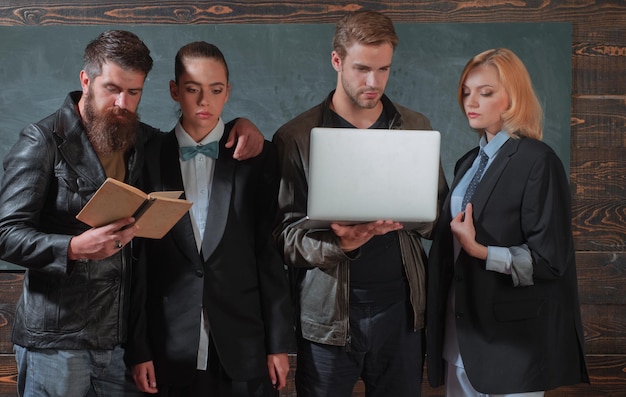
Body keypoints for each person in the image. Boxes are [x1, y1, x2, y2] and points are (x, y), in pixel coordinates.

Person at [0, 30, 264, 397]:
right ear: (86, 80)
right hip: (57, 342)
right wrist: (74, 247)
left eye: (134, 92)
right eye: (112, 88)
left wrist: (241, 125)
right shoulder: (42, 140)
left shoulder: (142, 139)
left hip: (122, 344)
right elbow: (6, 234)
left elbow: (195, 131)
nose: (123, 103)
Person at [273, 10, 448, 397]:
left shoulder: (415, 128)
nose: (373, 82)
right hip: (327, 321)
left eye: (383, 69)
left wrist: (413, 215)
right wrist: (341, 244)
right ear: (336, 61)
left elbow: (439, 219)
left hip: (402, 316)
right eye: (362, 68)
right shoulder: (296, 137)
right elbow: (285, 239)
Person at [126, 41, 295, 397]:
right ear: (174, 91)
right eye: (192, 90)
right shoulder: (147, 156)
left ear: (228, 92)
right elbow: (139, 263)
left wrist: (278, 343)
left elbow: (269, 255)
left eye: (216, 90)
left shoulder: (257, 157)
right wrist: (139, 349)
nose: (205, 101)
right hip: (169, 349)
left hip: (244, 346)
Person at [426, 48, 589, 396]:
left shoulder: (538, 161)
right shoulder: (467, 163)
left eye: (486, 93)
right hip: (459, 341)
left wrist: (481, 251)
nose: (472, 101)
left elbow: (550, 261)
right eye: (467, 92)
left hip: (511, 346)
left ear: (512, 99)